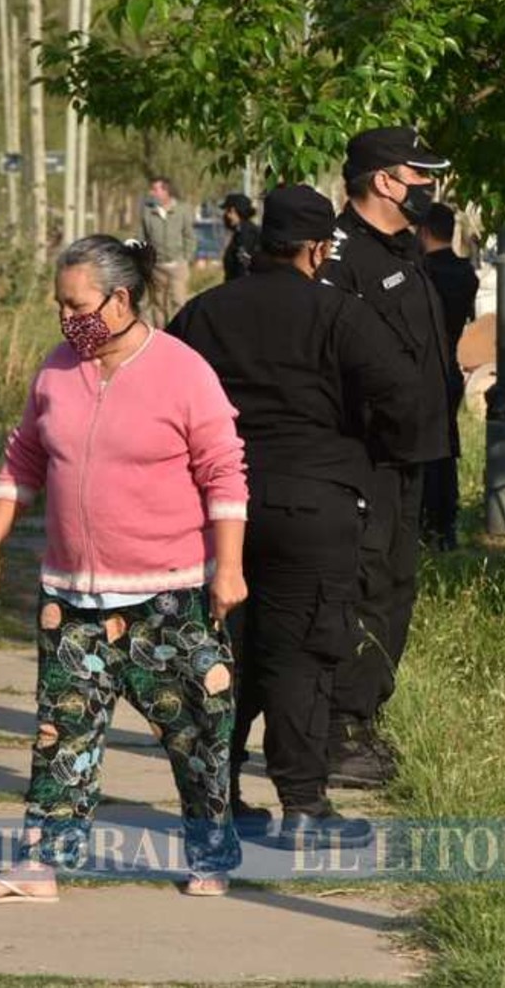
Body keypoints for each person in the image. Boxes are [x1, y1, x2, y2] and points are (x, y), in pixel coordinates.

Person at [0, 235, 248, 903]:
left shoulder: (182, 370)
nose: (66, 319)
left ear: (119, 299)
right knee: (63, 731)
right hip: (72, 597)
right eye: (59, 306)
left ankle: (210, 848)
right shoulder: (57, 371)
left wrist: (227, 568)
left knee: (197, 730)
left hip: (167, 593)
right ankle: (39, 863)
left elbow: (223, 471)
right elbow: (23, 462)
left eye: (77, 304)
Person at [169, 185, 420, 850]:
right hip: (314, 504)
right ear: (317, 249)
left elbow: (155, 391)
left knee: (222, 654)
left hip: (217, 509)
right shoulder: (341, 315)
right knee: (302, 653)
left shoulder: (203, 313)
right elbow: (404, 398)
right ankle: (303, 808)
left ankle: (213, 805)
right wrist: (359, 449)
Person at [316, 126, 454, 788]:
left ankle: (363, 714)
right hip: (358, 456)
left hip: (408, 454)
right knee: (359, 586)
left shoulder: (400, 250)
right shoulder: (337, 258)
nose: (429, 188)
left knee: (394, 586)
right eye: (420, 176)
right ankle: (338, 728)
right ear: (383, 181)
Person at [417, 203, 477, 551]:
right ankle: (446, 524)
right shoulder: (465, 273)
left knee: (423, 450)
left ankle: (427, 521)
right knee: (446, 448)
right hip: (449, 367)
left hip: (424, 368)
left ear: (423, 231)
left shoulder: (422, 273)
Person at [139, 177, 195, 325]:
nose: (152, 192)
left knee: (178, 301)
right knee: (158, 304)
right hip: (156, 266)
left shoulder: (182, 210)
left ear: (166, 191)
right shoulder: (147, 211)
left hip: (177, 265)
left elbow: (189, 236)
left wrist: (186, 258)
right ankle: (163, 335)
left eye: (155, 189)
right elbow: (142, 238)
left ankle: (179, 334)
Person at [219, 192, 259, 281]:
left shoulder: (247, 234)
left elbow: (244, 265)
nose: (226, 216)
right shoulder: (240, 231)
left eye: (228, 211)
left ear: (234, 211)